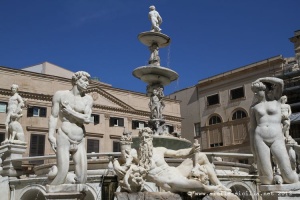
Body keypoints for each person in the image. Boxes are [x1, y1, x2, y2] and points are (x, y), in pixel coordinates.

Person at [115, 128, 230, 193]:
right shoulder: (136, 154)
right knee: (196, 186)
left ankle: (219, 185)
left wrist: (192, 149)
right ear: (140, 140)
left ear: (151, 139)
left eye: (147, 137)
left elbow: (178, 153)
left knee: (201, 156)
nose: (145, 140)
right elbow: (122, 160)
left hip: (175, 171)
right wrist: (117, 164)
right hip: (168, 180)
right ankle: (214, 189)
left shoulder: (159, 150)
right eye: (143, 138)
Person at [250, 77, 298, 185]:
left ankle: (281, 176)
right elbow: (252, 129)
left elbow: (280, 82)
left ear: (266, 90)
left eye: (258, 92)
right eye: (254, 92)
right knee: (267, 179)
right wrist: (253, 149)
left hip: (276, 137)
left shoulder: (276, 100)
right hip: (260, 138)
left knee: (290, 178)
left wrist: (262, 79)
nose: (255, 95)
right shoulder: (254, 107)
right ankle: (276, 178)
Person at [48, 71, 93, 185]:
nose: (87, 84)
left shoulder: (88, 99)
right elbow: (53, 116)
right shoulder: (60, 95)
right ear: (76, 80)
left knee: (82, 176)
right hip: (64, 135)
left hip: (80, 138)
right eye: (84, 80)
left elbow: (87, 119)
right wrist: (50, 135)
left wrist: (69, 111)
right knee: (62, 171)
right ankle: (52, 193)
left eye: (88, 81)